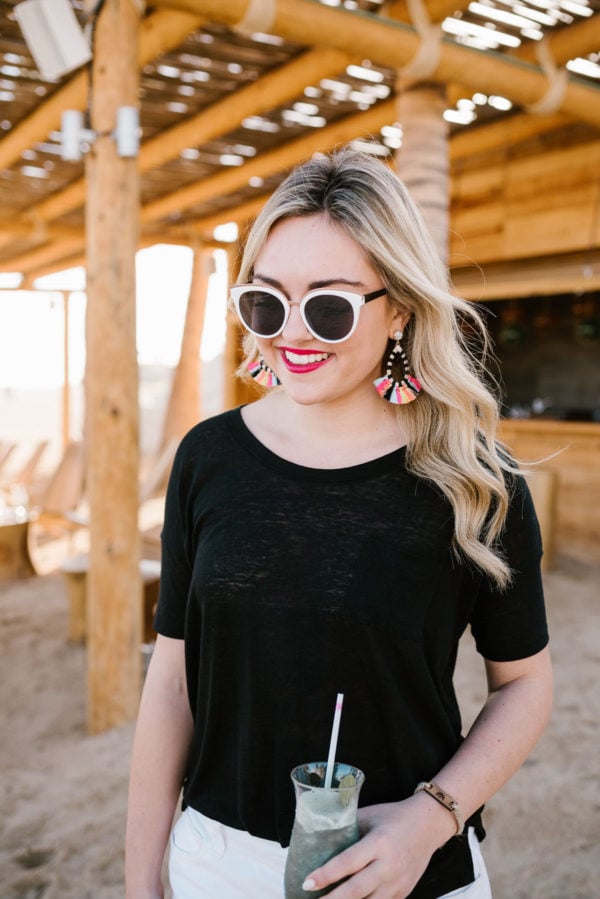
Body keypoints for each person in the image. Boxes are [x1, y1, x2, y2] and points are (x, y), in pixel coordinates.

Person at [125, 148, 553, 899]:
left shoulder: (476, 479)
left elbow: (524, 686)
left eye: (329, 305)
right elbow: (171, 682)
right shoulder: (207, 458)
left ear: (399, 309)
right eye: (266, 301)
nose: (292, 332)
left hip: (406, 871)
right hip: (218, 864)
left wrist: (431, 819)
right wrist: (140, 880)